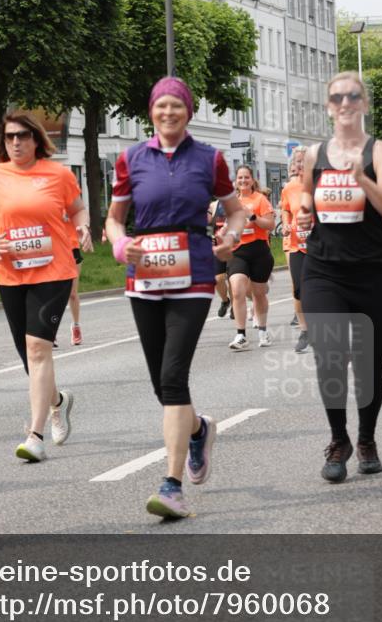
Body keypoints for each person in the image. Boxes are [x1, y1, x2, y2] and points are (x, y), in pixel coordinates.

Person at [105, 77, 246, 519]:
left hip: (195, 272)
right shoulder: (131, 159)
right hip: (144, 276)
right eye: (161, 106)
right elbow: (114, 219)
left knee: (172, 376)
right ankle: (199, 429)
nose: (169, 113)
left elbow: (236, 208)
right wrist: (118, 244)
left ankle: (172, 487)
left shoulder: (210, 158)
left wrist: (232, 236)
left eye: (177, 106)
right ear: (151, 111)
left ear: (188, 111)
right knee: (161, 385)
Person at [0, 111, 92, 462]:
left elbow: (78, 210)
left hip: (54, 271)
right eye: (9, 137)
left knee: (38, 348)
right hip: (12, 274)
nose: (16, 142)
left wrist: (82, 228)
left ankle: (34, 436)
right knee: (28, 357)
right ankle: (58, 401)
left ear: (36, 138)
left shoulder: (58, 174)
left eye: (22, 135)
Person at [297, 73, 382, 482]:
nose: (345, 102)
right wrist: (306, 209)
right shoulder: (315, 153)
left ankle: (367, 439)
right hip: (324, 269)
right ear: (328, 106)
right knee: (329, 358)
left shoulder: (378, 153)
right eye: (337, 97)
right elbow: (306, 191)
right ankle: (339, 439)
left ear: (363, 105)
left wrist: (361, 180)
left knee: (368, 365)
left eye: (353, 96)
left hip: (376, 272)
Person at [226, 166, 275, 350]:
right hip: (237, 251)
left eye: (246, 177)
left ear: (252, 180)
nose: (243, 180)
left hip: (259, 251)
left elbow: (270, 225)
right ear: (236, 181)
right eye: (240, 177)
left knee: (259, 293)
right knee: (237, 290)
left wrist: (252, 216)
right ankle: (241, 335)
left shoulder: (260, 199)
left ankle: (263, 331)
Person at [280, 147, 311, 353]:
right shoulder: (289, 188)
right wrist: (285, 223)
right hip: (296, 244)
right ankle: (305, 330)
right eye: (297, 161)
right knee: (298, 288)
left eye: (304, 161)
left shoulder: (318, 184)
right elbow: (285, 208)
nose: (300, 165)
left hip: (319, 246)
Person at [208, 197, 231, 317]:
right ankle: (225, 301)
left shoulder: (237, 203)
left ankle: (236, 305)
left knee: (233, 278)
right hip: (218, 248)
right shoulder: (213, 205)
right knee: (218, 279)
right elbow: (207, 224)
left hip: (234, 247)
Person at [64, 213, 84, 345]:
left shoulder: (71, 201)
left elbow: (81, 215)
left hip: (72, 247)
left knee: (72, 293)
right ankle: (50, 331)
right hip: (53, 248)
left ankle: (76, 326)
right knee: (52, 293)